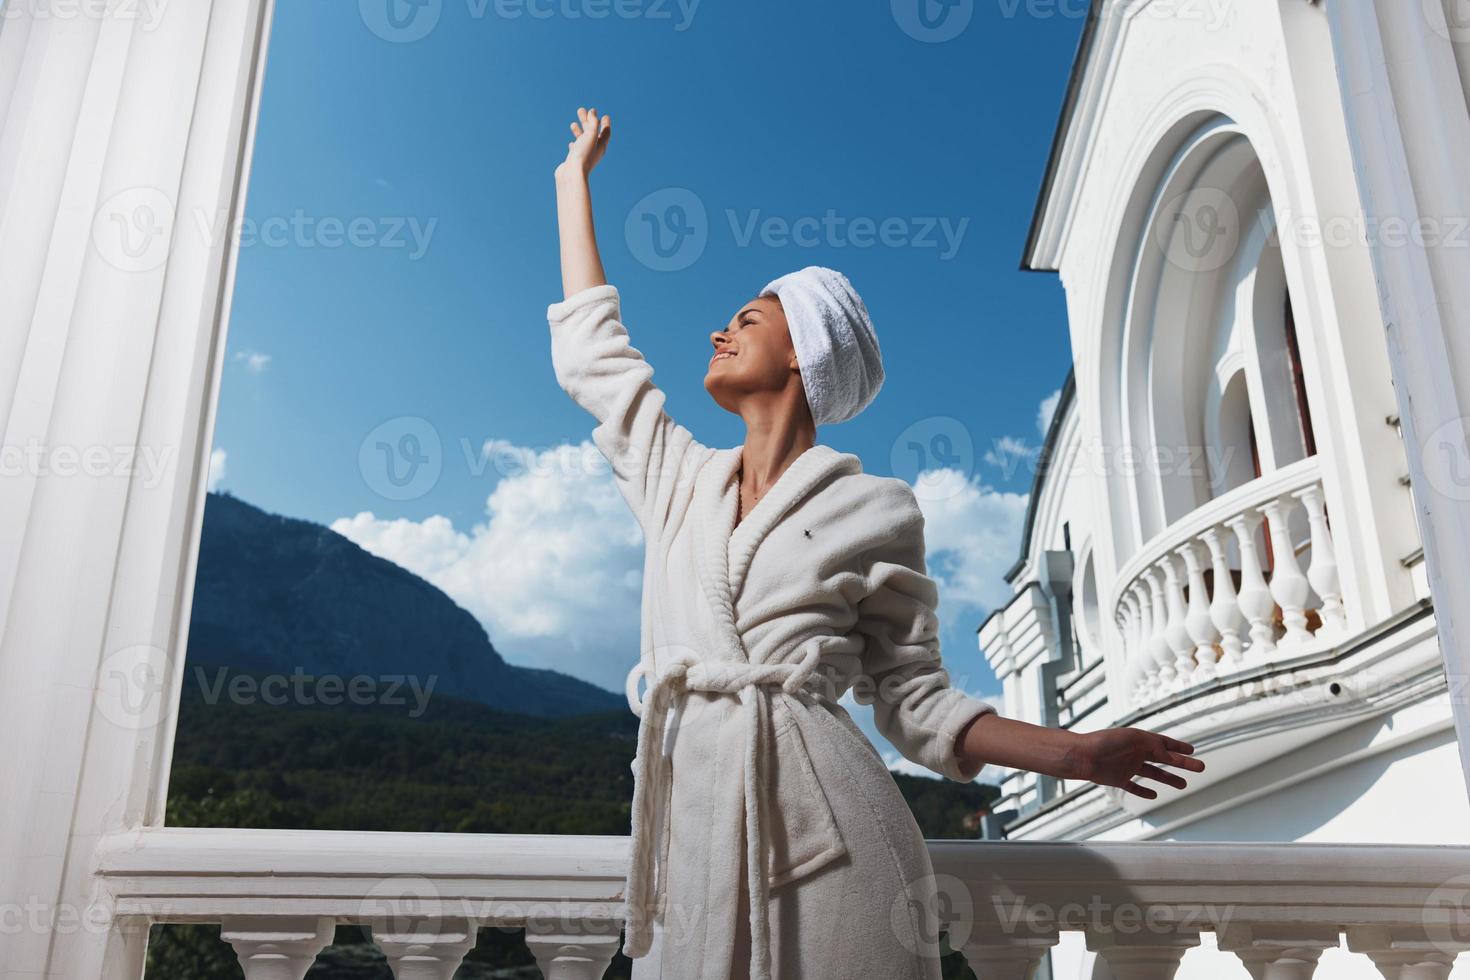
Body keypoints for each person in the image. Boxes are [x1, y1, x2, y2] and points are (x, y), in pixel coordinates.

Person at [548, 107, 1204, 980]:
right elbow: (599, 361)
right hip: (694, 839)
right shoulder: (677, 481)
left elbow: (913, 702)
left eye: (747, 318)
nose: (718, 331)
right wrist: (571, 185)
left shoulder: (877, 511)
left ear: (803, 353)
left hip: (834, 844)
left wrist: (1076, 753)